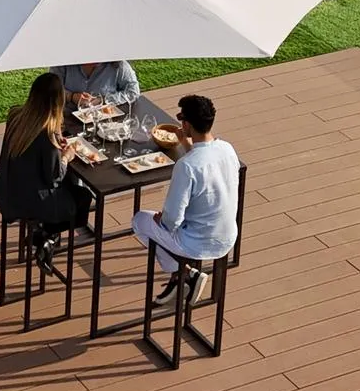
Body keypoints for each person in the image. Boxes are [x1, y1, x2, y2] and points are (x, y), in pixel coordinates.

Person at [132, 93, 240, 308]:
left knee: (140, 221)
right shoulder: (227, 149)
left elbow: (171, 220)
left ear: (186, 124)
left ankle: (182, 272)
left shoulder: (186, 166)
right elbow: (205, 166)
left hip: (196, 242)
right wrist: (185, 143)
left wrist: (160, 221)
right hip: (227, 236)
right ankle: (181, 276)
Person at [0, 71, 92, 253]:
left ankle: (46, 235)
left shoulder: (15, 115)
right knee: (83, 197)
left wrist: (57, 136)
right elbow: (55, 177)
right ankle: (46, 235)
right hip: (31, 202)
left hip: (8, 192)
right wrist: (67, 156)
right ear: (57, 103)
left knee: (69, 189)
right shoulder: (45, 136)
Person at [51, 59, 139, 117]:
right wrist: (71, 96)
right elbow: (50, 90)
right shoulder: (62, 63)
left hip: (102, 121)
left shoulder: (118, 64)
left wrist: (103, 100)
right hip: (66, 118)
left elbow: (133, 91)